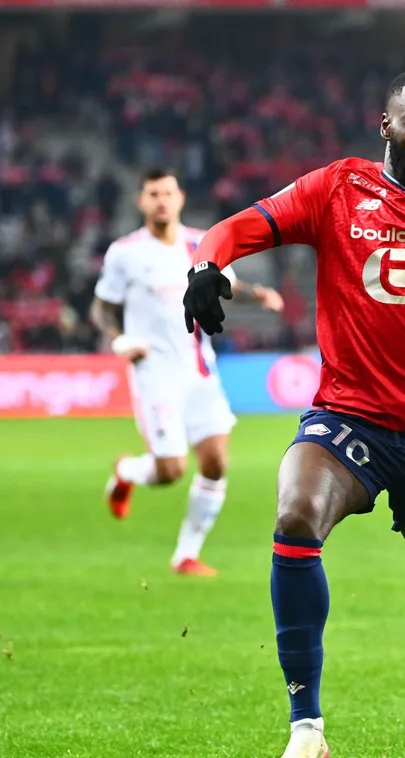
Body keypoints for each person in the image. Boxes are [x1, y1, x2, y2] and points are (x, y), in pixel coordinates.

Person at [181, 53, 405, 758]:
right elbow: (233, 229)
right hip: (350, 420)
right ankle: (306, 725)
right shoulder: (337, 187)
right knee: (295, 515)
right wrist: (206, 267)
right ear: (387, 124)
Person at [93, 167, 284, 577]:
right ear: (140, 201)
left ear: (180, 198)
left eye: (167, 192)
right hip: (153, 372)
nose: (161, 200)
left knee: (215, 462)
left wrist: (259, 296)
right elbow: (102, 307)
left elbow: (226, 286)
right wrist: (118, 340)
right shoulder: (125, 252)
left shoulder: (200, 244)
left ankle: (186, 555)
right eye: (152, 193)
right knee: (171, 471)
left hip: (199, 370)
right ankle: (127, 470)